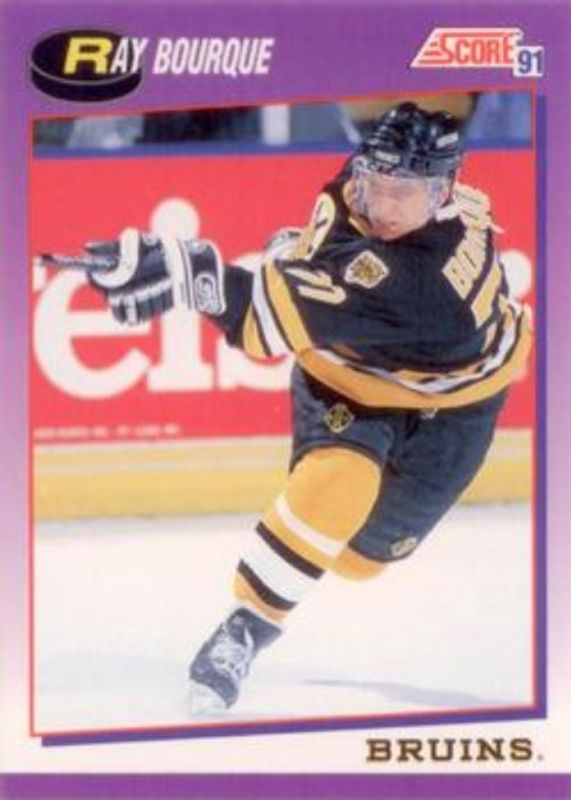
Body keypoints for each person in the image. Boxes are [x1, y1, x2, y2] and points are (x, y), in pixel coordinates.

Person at [39, 102, 532, 713]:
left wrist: (191, 272)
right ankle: (243, 629)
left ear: (443, 191)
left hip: (460, 405)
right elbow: (305, 285)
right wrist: (256, 271)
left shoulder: (429, 285)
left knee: (360, 562)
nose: (382, 205)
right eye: (377, 182)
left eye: (403, 192)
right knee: (338, 483)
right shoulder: (359, 192)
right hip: (346, 378)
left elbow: (262, 321)